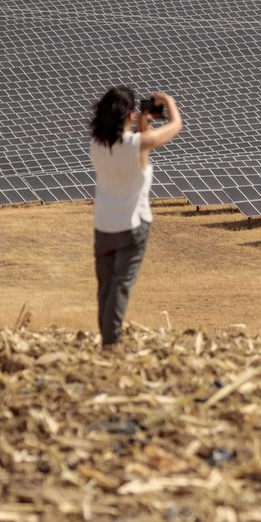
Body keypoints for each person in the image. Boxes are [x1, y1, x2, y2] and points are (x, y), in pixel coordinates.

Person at [88, 86, 182, 346]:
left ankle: (107, 338)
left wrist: (142, 125)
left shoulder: (96, 145)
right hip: (132, 226)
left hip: (103, 227)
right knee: (121, 286)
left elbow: (135, 150)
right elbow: (175, 126)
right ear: (129, 115)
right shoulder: (136, 144)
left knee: (105, 288)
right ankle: (110, 343)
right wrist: (170, 102)